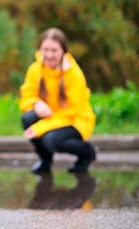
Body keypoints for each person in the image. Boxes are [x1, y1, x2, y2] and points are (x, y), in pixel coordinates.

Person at [19, 27, 96, 175]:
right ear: (39, 50)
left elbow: (73, 111)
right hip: (53, 118)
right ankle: (45, 161)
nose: (48, 55)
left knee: (50, 140)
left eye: (54, 50)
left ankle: (87, 153)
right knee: (28, 118)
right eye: (45, 50)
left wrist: (41, 127)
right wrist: (36, 103)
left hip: (75, 121)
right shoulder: (35, 69)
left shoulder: (74, 75)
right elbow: (26, 96)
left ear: (63, 51)